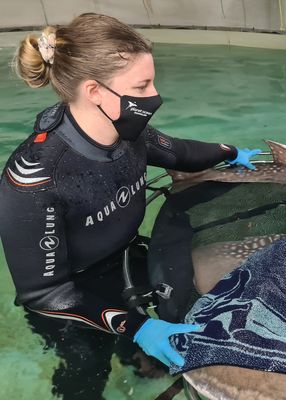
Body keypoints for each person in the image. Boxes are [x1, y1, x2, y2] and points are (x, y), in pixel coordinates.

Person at [0, 13, 261, 400]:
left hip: (126, 262)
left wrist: (230, 151)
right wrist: (137, 327)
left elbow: (180, 152)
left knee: (143, 339)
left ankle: (137, 357)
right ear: (94, 91)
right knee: (86, 371)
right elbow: (44, 293)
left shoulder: (128, 133)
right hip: (72, 299)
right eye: (142, 85)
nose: (154, 95)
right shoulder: (34, 176)